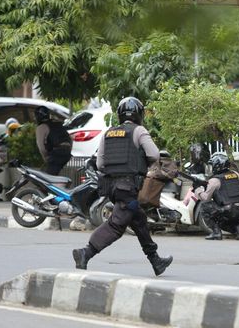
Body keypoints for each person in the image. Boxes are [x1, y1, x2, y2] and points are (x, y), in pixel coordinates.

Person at [72, 97, 173, 276]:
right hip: (128, 188)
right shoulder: (139, 131)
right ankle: (85, 253)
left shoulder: (109, 133)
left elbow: (101, 163)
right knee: (116, 225)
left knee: (139, 220)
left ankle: (155, 261)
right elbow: (155, 154)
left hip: (112, 188)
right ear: (139, 114)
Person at [195, 152, 239, 241]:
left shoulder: (215, 180)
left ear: (217, 165)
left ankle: (216, 233)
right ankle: (238, 229)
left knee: (204, 206)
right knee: (223, 223)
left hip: (229, 210)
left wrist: (198, 190)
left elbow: (205, 198)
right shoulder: (235, 174)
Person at [35, 106, 72, 175]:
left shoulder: (41, 127)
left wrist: (45, 157)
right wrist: (68, 151)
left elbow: (41, 147)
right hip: (67, 153)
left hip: (56, 153)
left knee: (46, 177)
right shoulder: (58, 124)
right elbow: (70, 139)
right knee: (51, 174)